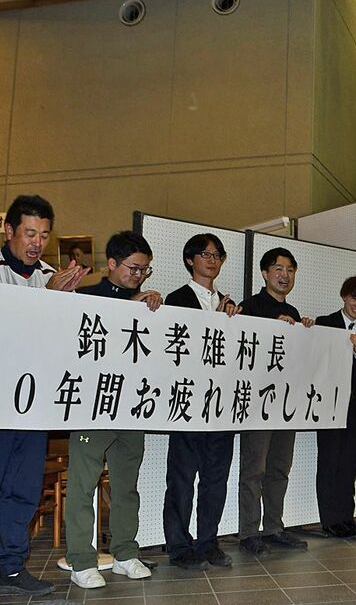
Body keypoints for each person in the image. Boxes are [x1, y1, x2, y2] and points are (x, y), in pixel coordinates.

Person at [0, 195, 88, 605]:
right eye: (29, 233)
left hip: (35, 403)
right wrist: (48, 296)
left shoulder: (51, 273)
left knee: (24, 490)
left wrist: (66, 301)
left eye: (44, 235)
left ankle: (12, 567)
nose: (37, 243)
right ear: (9, 231)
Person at [65, 231, 162, 589]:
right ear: (112, 264)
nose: (138, 276)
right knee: (83, 485)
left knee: (126, 487)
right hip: (92, 406)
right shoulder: (85, 297)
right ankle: (80, 560)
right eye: (134, 268)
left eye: (145, 270)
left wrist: (148, 305)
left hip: (132, 408)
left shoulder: (147, 303)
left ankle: (125, 553)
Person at [162, 233, 242, 570]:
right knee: (181, 479)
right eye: (204, 254)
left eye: (217, 255)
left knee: (216, 478)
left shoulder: (230, 305)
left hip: (221, 405)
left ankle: (209, 541)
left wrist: (233, 322)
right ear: (189, 260)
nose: (211, 259)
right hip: (187, 404)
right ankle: (179, 545)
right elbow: (177, 349)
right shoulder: (176, 298)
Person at [237, 247, 313, 553]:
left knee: (279, 468)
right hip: (257, 403)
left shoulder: (294, 313)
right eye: (278, 269)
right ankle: (247, 533)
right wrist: (272, 327)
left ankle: (273, 528)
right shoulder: (250, 307)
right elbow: (241, 353)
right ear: (265, 273)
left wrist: (306, 332)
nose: (285, 275)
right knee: (254, 469)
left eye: (290, 270)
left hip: (286, 404)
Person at [314, 276, 356, 538]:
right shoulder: (324, 323)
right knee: (329, 463)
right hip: (328, 405)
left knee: (349, 464)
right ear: (344, 296)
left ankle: (346, 518)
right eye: (354, 297)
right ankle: (329, 521)